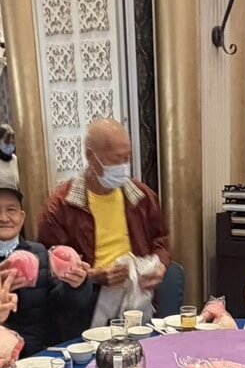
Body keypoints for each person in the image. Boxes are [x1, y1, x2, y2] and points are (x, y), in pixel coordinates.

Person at [37, 119, 168, 326]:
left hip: (137, 295)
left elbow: (160, 240)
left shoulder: (142, 197)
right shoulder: (61, 206)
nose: (123, 167)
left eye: (127, 158)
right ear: (91, 156)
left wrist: (160, 265)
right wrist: (92, 276)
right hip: (86, 304)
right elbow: (51, 269)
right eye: (116, 160)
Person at [0, 179, 92, 354]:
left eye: (11, 210)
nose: (4, 218)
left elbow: (62, 308)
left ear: (22, 217)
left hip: (37, 358)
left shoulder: (39, 253)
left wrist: (77, 286)